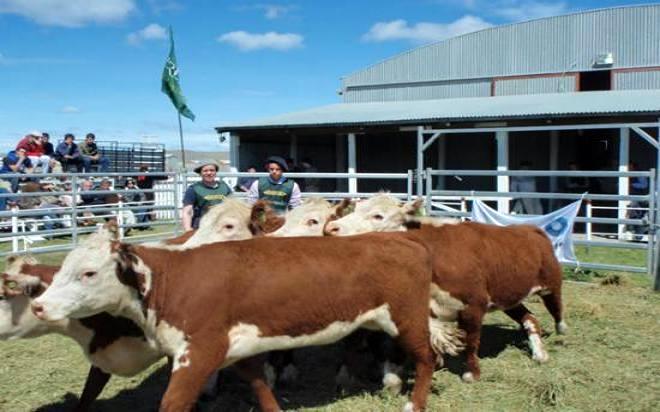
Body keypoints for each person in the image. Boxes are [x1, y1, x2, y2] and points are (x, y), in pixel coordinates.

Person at [182, 161, 232, 231]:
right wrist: (188, 230)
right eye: (205, 171)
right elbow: (187, 212)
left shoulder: (224, 187)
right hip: (202, 227)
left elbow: (232, 206)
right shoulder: (194, 189)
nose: (209, 173)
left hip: (222, 227)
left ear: (215, 172)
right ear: (200, 173)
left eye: (212, 170)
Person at [627, 162, 649, 238]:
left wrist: (631, 184)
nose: (628, 169)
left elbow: (644, 185)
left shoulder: (640, 174)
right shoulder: (626, 175)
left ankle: (639, 233)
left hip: (640, 197)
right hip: (629, 197)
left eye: (630, 167)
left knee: (635, 210)